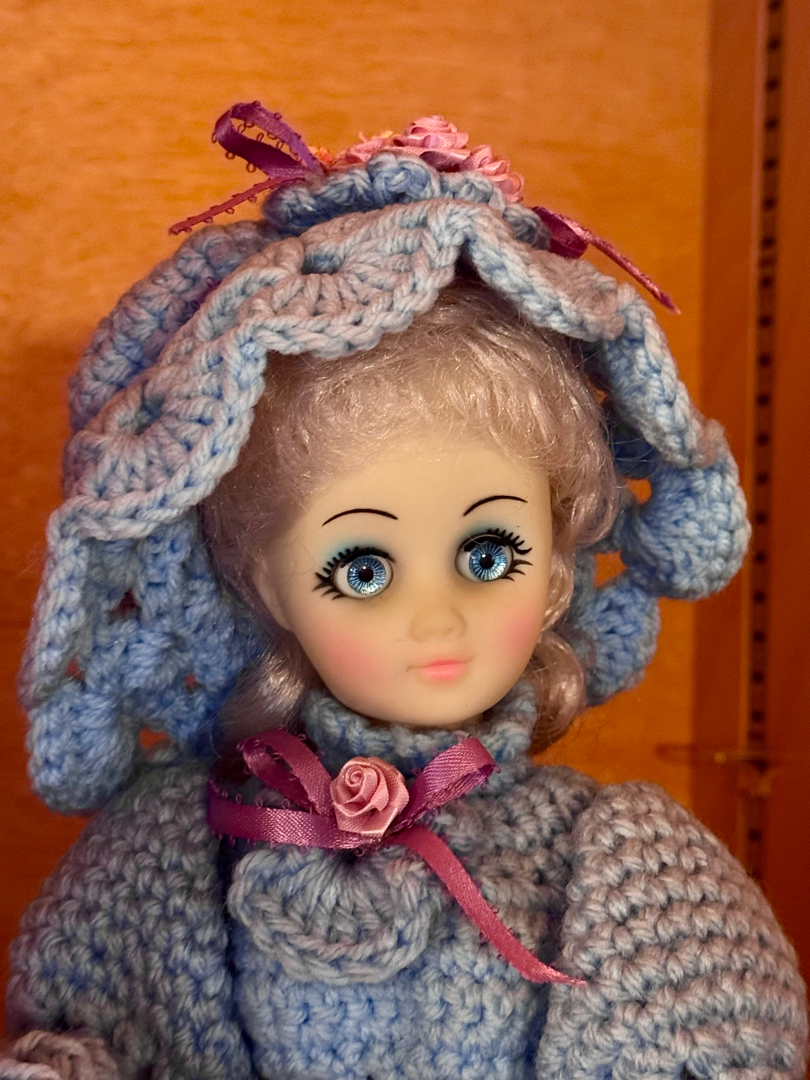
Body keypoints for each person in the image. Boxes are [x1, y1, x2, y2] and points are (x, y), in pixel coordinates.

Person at [3, 106, 806, 1080]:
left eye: (488, 555)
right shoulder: (176, 853)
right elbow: (92, 1039)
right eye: (364, 571)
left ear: (556, 564)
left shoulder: (609, 864)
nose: (436, 618)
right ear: (267, 587)